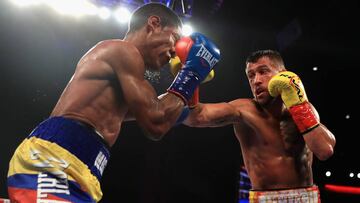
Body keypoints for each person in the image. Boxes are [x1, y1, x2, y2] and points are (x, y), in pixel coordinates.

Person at [6, 3, 220, 203]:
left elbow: (164, 113)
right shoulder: (122, 51)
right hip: (53, 158)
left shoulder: (132, 80)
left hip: (84, 169)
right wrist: (192, 72)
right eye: (174, 38)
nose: (175, 51)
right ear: (154, 24)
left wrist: (191, 81)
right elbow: (156, 125)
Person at [183, 50, 335, 202]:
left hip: (305, 197)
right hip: (264, 197)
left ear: (283, 74)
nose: (256, 80)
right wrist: (190, 76)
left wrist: (300, 107)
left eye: (263, 71)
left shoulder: (303, 109)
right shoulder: (243, 110)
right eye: (251, 75)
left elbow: (324, 150)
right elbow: (196, 116)